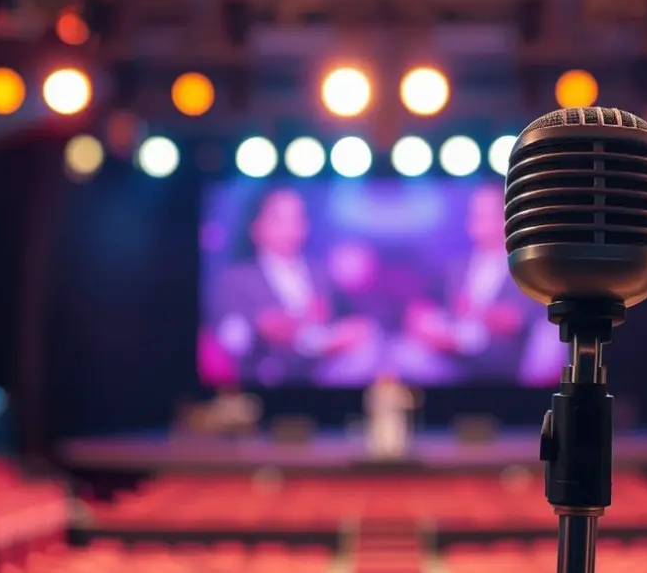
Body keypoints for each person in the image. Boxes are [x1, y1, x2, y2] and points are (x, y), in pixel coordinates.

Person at [210, 188, 381, 386]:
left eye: (297, 218)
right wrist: (258, 329)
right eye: (280, 219)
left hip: (329, 375)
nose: (291, 228)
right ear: (257, 226)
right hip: (268, 379)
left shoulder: (321, 273)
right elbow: (230, 340)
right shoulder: (236, 278)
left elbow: (348, 319)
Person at [398, 184, 558, 384]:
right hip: (451, 356)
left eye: (486, 214)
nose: (477, 221)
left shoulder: (525, 267)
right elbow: (428, 308)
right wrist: (425, 321)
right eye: (474, 214)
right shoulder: (456, 267)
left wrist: (473, 318)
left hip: (504, 360)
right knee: (406, 353)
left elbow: (517, 320)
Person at [364, 371, 415, 459]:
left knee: (395, 439)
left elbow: (408, 403)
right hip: (380, 418)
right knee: (379, 438)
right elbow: (370, 404)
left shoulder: (399, 390)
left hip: (395, 418)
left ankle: (395, 457)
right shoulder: (375, 390)